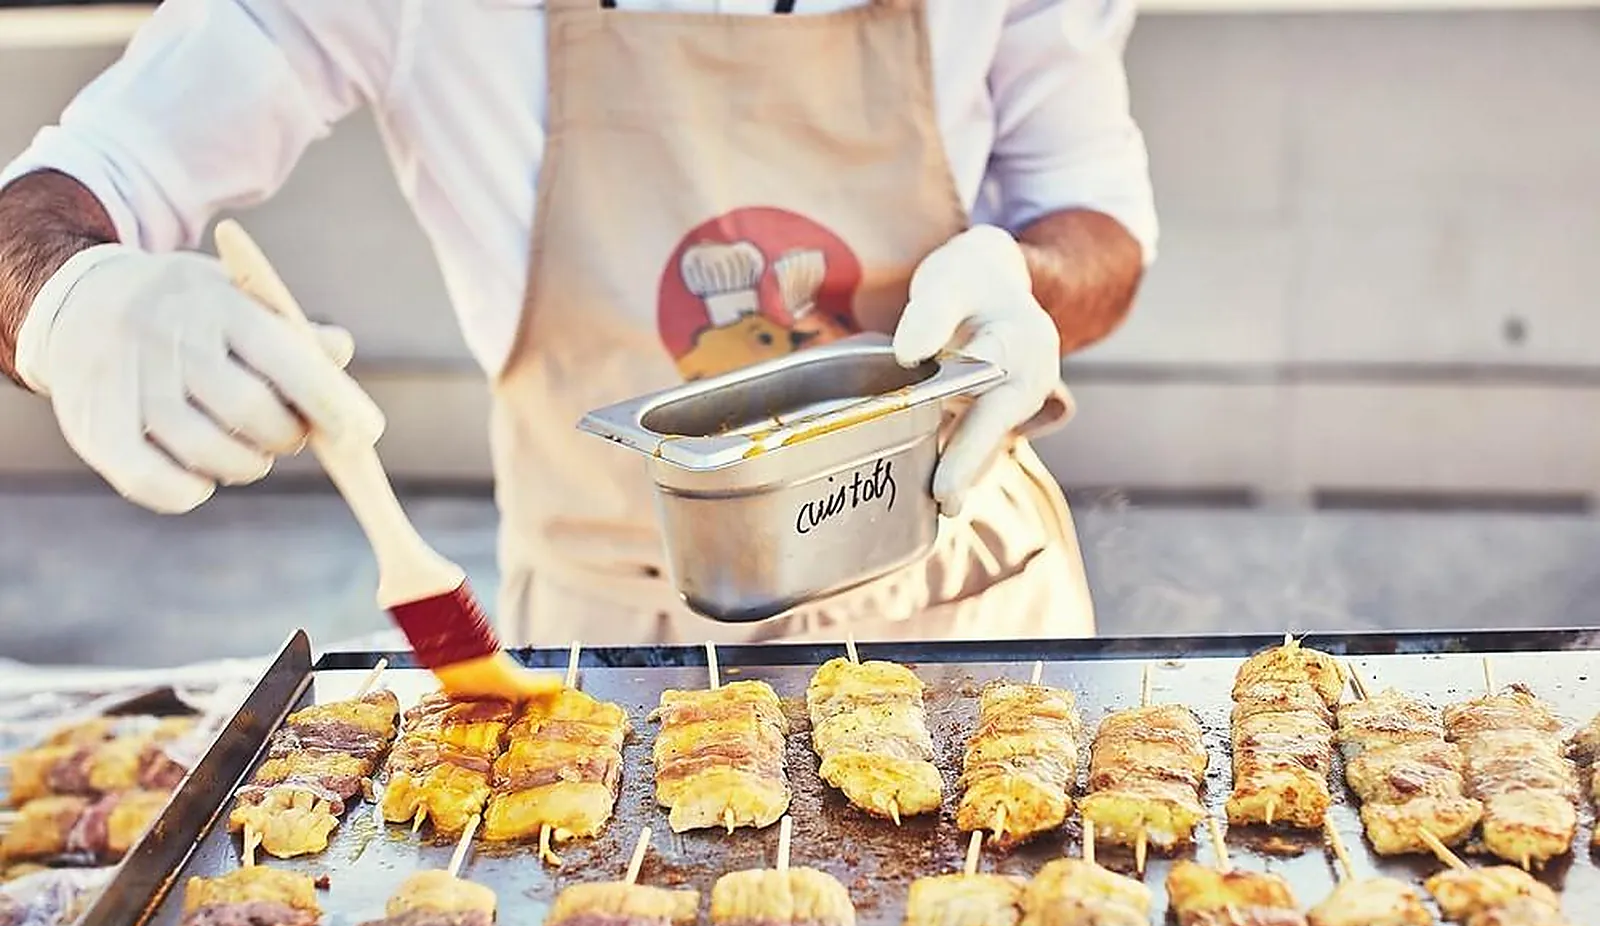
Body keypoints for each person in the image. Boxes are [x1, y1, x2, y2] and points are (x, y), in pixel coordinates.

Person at [0, 0, 1157, 647]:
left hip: (962, 599)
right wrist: (68, 303)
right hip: (613, 639)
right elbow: (70, 186)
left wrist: (1024, 280)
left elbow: (1097, 226)